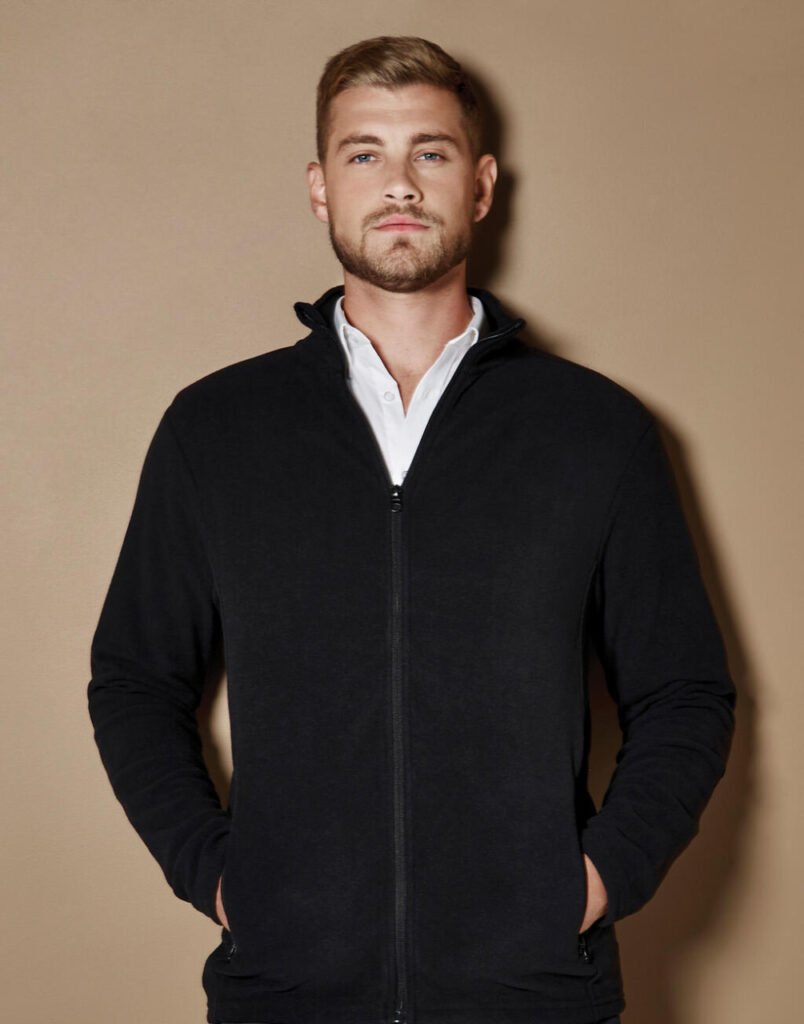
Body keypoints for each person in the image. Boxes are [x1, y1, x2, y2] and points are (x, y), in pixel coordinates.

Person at [87, 35, 736, 1024]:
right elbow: (135, 681)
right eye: (365, 154)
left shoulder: (595, 431)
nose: (399, 184)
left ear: (481, 185)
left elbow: (685, 692)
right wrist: (220, 878)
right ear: (320, 187)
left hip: (532, 997)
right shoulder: (215, 430)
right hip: (286, 995)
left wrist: (595, 881)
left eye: (430, 152)